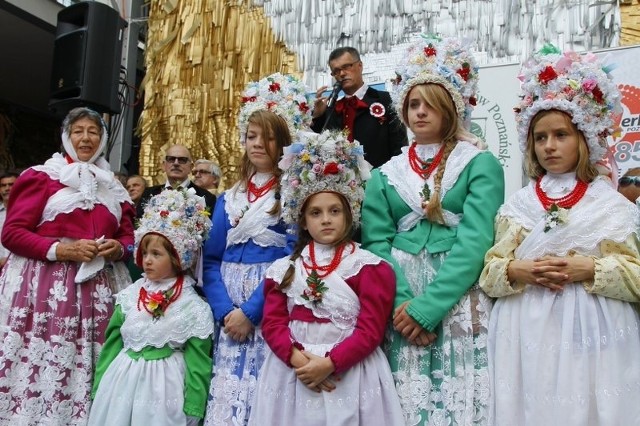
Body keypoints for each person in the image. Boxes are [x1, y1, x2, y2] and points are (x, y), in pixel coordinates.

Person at [480, 46, 640, 426]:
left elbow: (637, 277)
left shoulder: (612, 206)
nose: (549, 146)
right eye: (540, 137)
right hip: (525, 336)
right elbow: (489, 273)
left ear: (584, 138)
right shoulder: (517, 206)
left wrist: (591, 268)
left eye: (561, 135)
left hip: (596, 339)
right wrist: (519, 271)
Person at [361, 36, 505, 425]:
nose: (420, 112)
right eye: (413, 104)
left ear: (451, 109)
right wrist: (403, 305)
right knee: (406, 398)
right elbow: (376, 243)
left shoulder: (479, 164)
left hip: (456, 295)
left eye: (431, 104)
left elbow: (477, 239)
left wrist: (430, 307)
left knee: (460, 398)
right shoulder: (383, 175)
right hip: (401, 295)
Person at [248, 130, 405, 425]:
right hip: (293, 371)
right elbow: (273, 322)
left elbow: (371, 330)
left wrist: (330, 364)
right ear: (304, 221)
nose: (326, 219)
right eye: (316, 213)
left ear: (349, 215)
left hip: (349, 372)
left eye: (334, 211)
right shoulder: (283, 270)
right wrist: (299, 361)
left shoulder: (369, 267)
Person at [0, 107, 135, 423]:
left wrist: (118, 249)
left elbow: (128, 237)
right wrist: (61, 250)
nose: (86, 137)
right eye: (79, 131)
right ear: (66, 137)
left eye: (93, 131)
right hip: (44, 288)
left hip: (99, 288)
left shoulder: (114, 187)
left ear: (102, 140)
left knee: (90, 357)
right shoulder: (42, 176)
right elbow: (12, 233)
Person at [202, 72, 312, 425]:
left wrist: (251, 312)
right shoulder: (228, 198)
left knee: (264, 389)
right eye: (251, 136)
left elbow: (294, 257)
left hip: (270, 304)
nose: (258, 144)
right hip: (228, 309)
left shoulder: (294, 195)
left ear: (283, 142)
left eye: (268, 137)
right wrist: (225, 311)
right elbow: (212, 258)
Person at [89, 188, 215, 426]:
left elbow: (198, 362)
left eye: (156, 254)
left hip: (164, 391)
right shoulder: (130, 296)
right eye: (144, 252)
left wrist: (194, 406)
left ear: (178, 258)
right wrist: (99, 388)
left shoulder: (192, 306)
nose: (147, 260)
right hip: (120, 386)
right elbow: (112, 345)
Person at [311, 46, 407, 168]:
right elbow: (320, 148)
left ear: (360, 66)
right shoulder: (331, 109)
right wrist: (317, 116)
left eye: (346, 66)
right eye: (336, 71)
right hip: (342, 183)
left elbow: (399, 146)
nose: (341, 73)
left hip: (379, 181)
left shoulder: (385, 100)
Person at [136, 144, 216, 218]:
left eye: (182, 160)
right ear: (164, 165)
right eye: (171, 159)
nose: (176, 163)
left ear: (191, 167)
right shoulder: (149, 193)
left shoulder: (206, 198)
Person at [0, 171, 18, 267]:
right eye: (3, 185)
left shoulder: (28, 213)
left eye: (11, 184)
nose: (7, 188)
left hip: (19, 269)